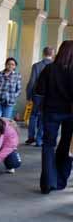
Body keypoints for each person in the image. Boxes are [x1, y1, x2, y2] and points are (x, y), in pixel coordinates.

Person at [35, 39, 73, 193]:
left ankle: (47, 182)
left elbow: (39, 91)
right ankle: (60, 180)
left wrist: (38, 110)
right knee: (66, 145)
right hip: (71, 114)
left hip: (51, 112)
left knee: (48, 145)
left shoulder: (49, 69)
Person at [25, 46, 55, 146]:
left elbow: (32, 81)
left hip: (37, 95)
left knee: (33, 116)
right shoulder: (55, 66)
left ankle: (30, 137)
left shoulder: (36, 66)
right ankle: (39, 140)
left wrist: (29, 95)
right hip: (49, 96)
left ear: (43, 53)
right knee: (43, 116)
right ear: (52, 54)